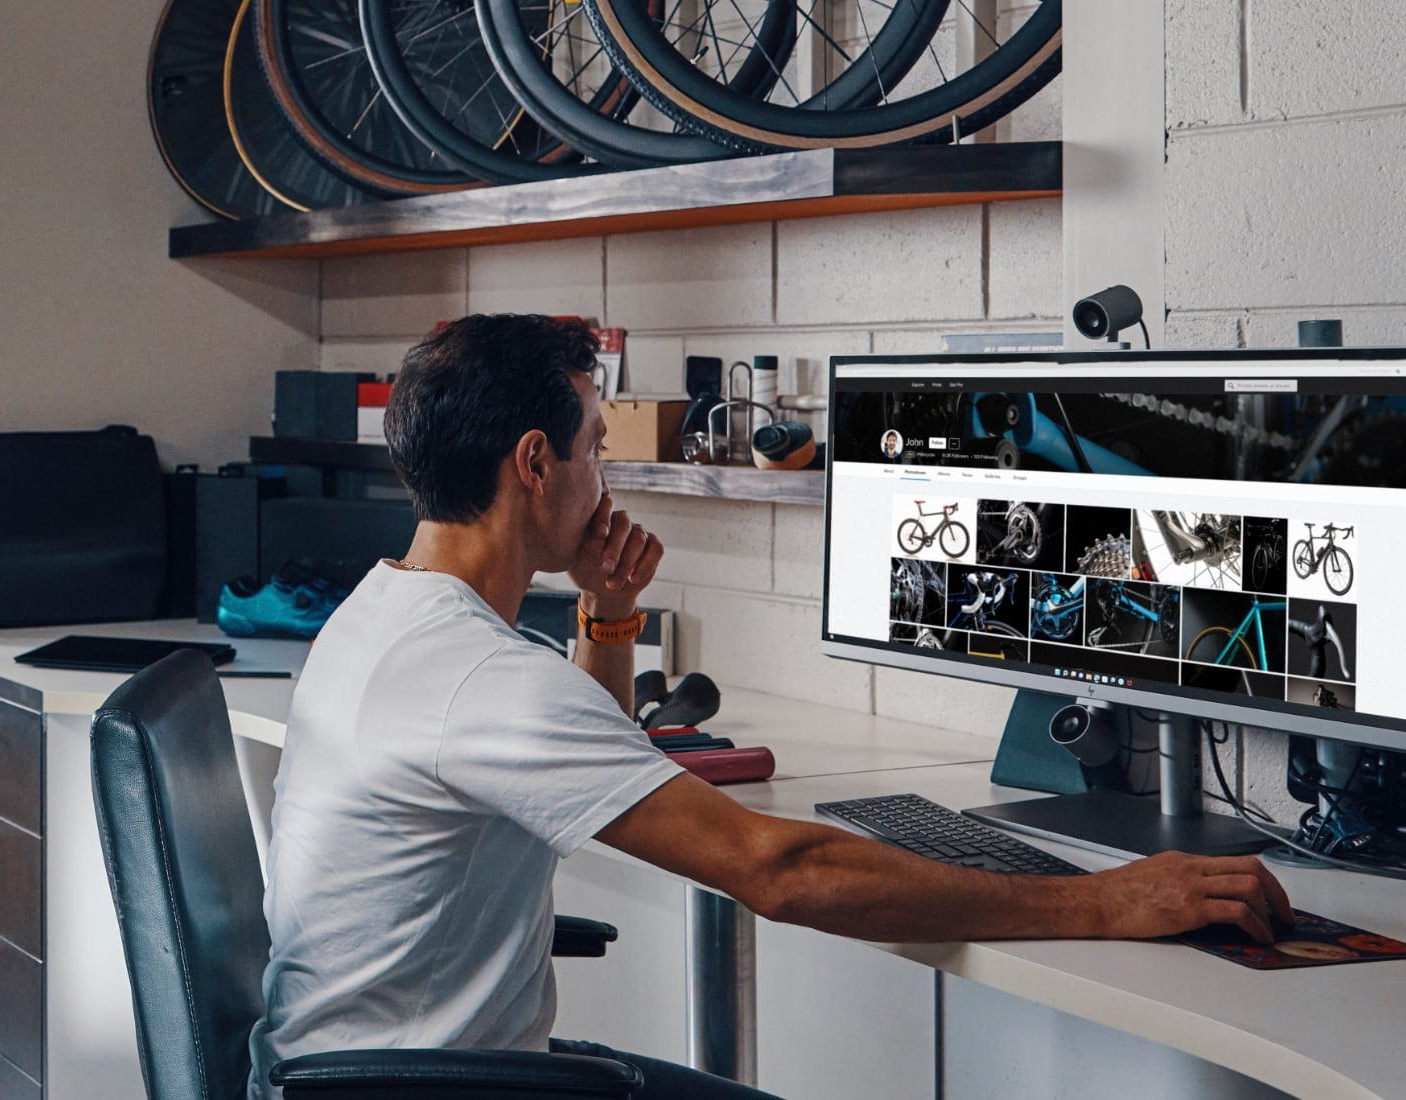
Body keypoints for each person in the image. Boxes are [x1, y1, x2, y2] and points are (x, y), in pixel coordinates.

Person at [248, 314, 1293, 1100]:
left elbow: (589, 765)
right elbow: (779, 871)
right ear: (533, 462)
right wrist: (1105, 903)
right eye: (596, 446)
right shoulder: (478, 675)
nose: (604, 476)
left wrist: (609, 621)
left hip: (360, 1064)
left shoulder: (388, 615)